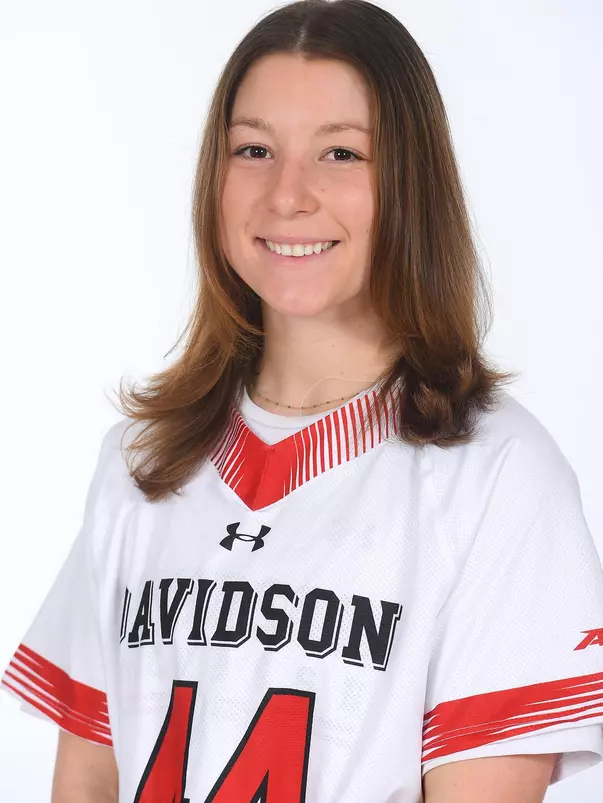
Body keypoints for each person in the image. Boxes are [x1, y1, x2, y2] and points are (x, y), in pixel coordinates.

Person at [2, 1, 603, 801]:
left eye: (340, 153)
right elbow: (86, 778)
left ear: (410, 184)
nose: (287, 194)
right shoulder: (140, 461)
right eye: (253, 149)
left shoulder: (497, 476)